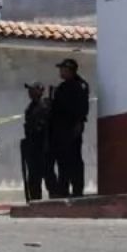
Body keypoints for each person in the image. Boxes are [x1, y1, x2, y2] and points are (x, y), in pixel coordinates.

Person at [48, 58, 89, 198]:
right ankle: (63, 189)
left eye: (62, 68)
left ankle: (77, 190)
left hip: (72, 129)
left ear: (70, 70)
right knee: (62, 160)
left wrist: (78, 124)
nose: (60, 71)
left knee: (75, 160)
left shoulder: (80, 85)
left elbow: (82, 109)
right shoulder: (61, 87)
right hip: (60, 130)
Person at [21, 82, 56, 201]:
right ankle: (35, 200)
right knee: (33, 178)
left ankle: (54, 199)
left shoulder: (47, 105)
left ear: (40, 91)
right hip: (33, 148)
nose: (30, 92)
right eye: (29, 90)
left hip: (45, 147)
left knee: (48, 175)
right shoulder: (29, 108)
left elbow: (49, 126)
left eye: (33, 89)